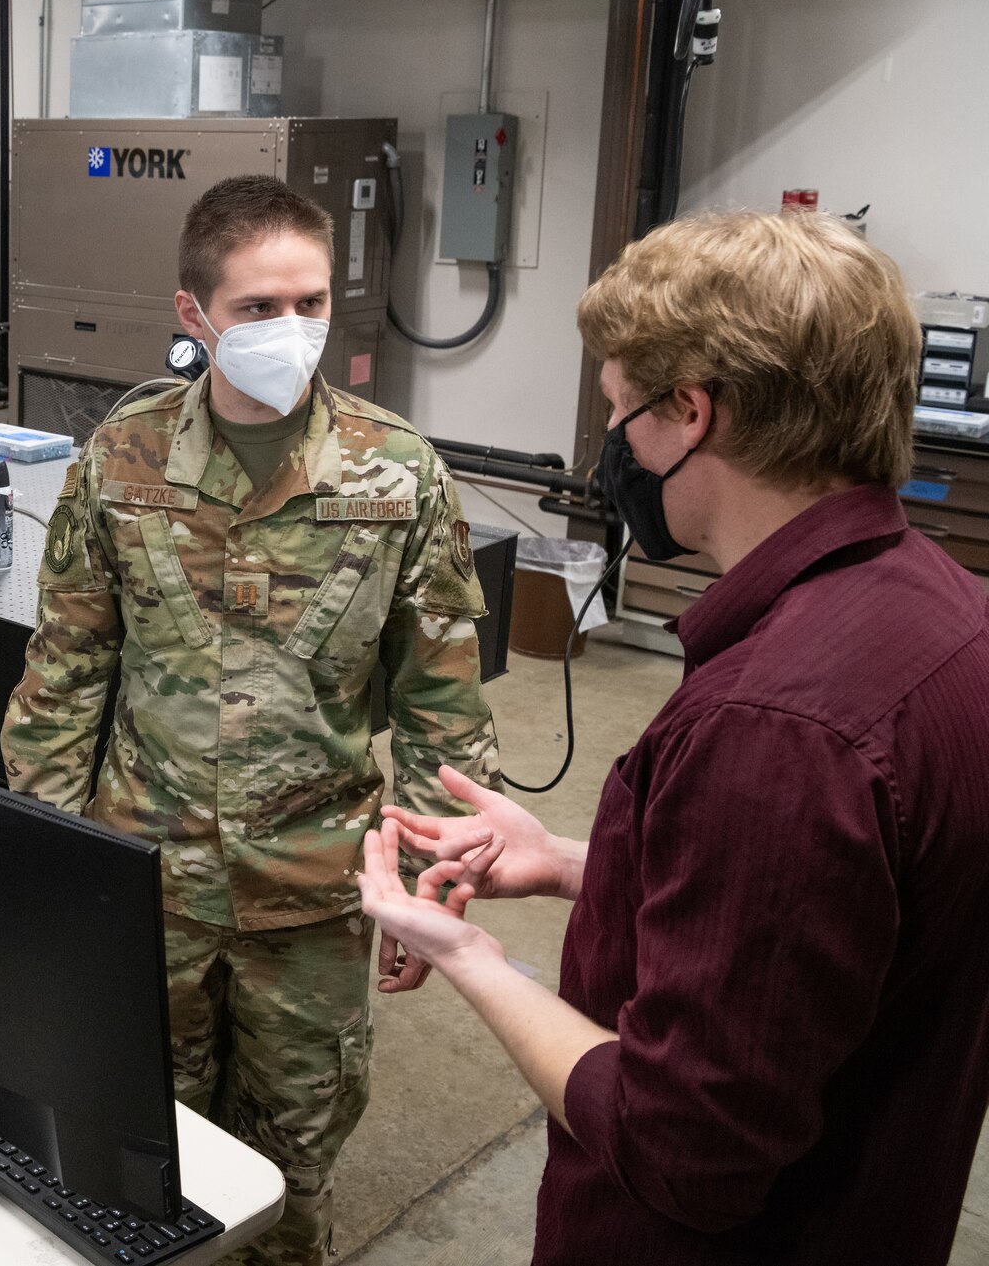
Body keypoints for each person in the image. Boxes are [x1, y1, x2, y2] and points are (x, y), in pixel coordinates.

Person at [357, 209, 989, 1264]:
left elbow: (681, 1147)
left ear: (691, 413)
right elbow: (814, 920)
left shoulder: (776, 726)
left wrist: (466, 954)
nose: (614, 448)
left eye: (621, 412)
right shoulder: (946, 609)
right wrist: (578, 863)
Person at [2, 173, 501, 1263]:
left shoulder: (397, 476)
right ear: (194, 316)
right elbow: (65, 673)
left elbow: (439, 704)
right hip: (146, 884)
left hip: (314, 896)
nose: (290, 330)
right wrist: (45, 862)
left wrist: (428, 883)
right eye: (257, 308)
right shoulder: (120, 464)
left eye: (309, 303)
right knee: (140, 1151)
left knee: (291, 1173)